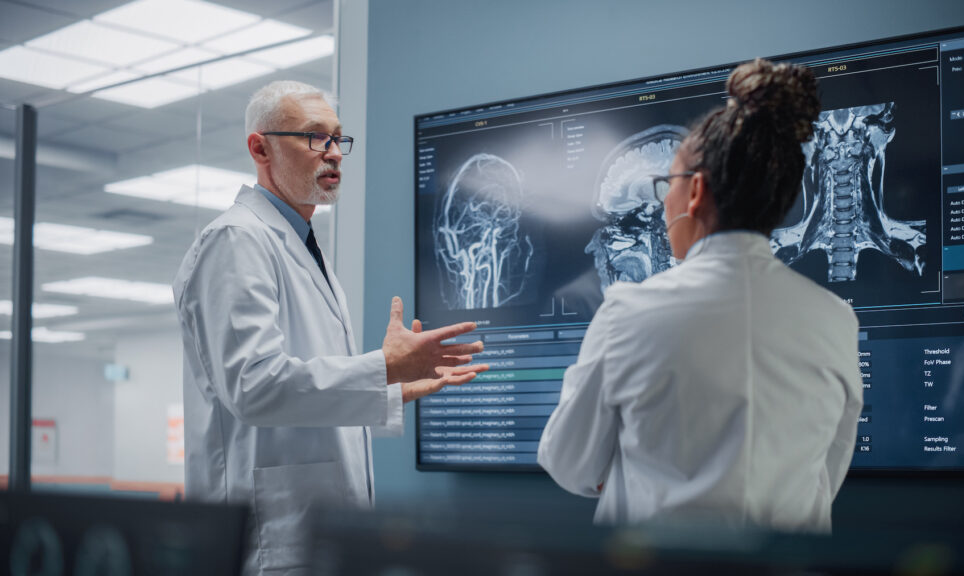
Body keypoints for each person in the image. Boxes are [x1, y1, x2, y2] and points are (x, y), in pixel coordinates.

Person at [172, 80, 487, 575]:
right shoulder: (237, 240)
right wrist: (379, 368)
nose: (335, 153)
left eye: (339, 139)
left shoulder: (300, 247)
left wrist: (389, 387)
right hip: (265, 542)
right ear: (260, 147)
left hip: (314, 537)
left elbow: (301, 388)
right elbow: (254, 387)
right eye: (315, 138)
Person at [537, 59, 863, 533]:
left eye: (665, 185)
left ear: (694, 193)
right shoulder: (836, 319)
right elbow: (825, 476)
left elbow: (569, 462)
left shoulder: (628, 312)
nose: (664, 202)